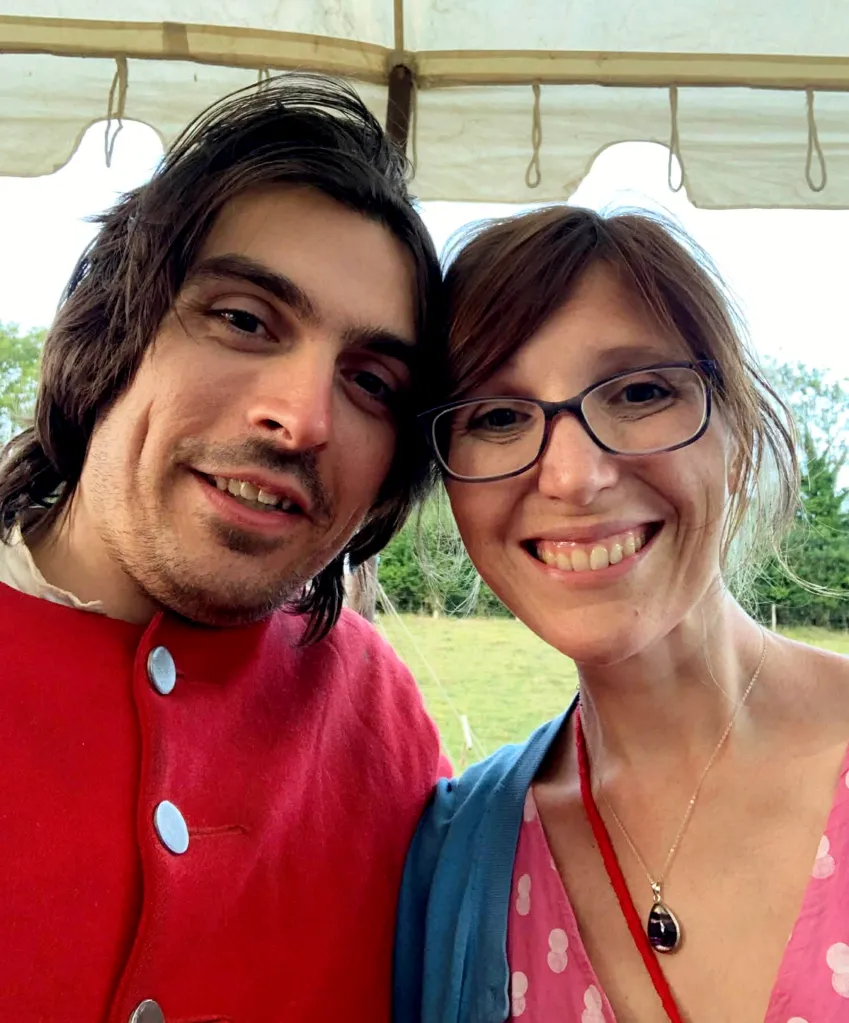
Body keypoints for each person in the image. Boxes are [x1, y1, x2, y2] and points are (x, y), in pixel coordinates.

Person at [0, 74, 448, 1022]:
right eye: (245, 320)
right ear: (111, 328)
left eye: (369, 381)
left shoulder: (380, 720)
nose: (302, 418)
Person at [395, 206, 849, 1023]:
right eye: (496, 416)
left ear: (736, 432)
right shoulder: (454, 862)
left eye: (639, 391)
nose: (572, 476)